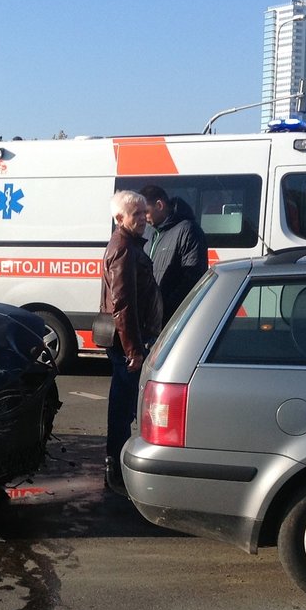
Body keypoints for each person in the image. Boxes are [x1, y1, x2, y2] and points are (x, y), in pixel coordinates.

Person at [99, 190, 162, 494]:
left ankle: (118, 468)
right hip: (128, 345)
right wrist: (134, 351)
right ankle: (115, 471)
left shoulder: (130, 244)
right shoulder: (123, 247)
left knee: (126, 406)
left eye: (143, 212)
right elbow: (122, 304)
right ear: (119, 218)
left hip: (131, 341)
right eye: (135, 214)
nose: (142, 219)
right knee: (123, 408)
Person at [140, 185, 207, 319]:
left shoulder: (188, 230)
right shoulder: (148, 231)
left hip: (172, 317)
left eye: (145, 212)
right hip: (151, 315)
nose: (143, 218)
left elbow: (192, 277)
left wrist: (165, 307)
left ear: (159, 205)